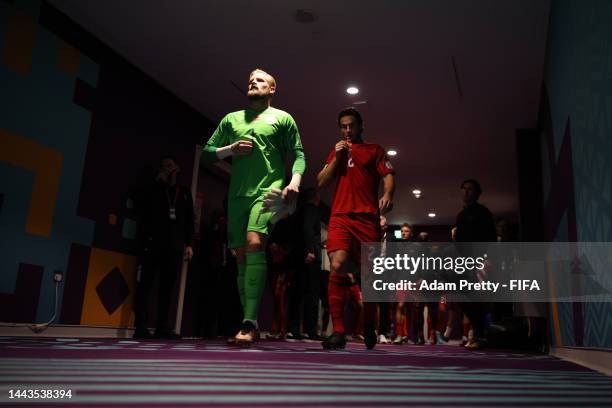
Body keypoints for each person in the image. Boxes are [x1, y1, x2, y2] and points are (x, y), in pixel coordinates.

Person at [200, 68, 306, 345]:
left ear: (272, 89)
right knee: (240, 256)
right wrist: (231, 149)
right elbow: (208, 154)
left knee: (254, 242)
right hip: (237, 197)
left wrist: (294, 181)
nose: (253, 81)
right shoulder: (231, 119)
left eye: (260, 80)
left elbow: (297, 154)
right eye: (250, 80)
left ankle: (248, 322)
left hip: (268, 192)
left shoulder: (282, 118)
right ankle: (252, 321)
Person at [317, 107, 395, 350]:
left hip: (366, 219)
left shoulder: (375, 150)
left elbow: (389, 174)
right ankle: (339, 331)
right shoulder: (337, 151)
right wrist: (338, 158)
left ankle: (369, 325)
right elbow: (320, 181)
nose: (347, 130)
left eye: (351, 125)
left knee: (368, 277)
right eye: (343, 126)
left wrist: (389, 193)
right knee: (337, 265)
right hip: (340, 216)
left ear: (361, 127)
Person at [134, 156, 194, 339]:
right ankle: (141, 326)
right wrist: (156, 181)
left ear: (177, 168)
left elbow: (189, 220)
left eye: (170, 166)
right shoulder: (154, 189)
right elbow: (142, 207)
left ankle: (162, 327)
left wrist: (189, 243)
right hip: (153, 244)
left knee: (167, 289)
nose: (167, 169)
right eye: (163, 166)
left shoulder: (183, 192)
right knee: (145, 285)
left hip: (174, 247)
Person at [455, 178, 496, 349]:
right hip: (464, 262)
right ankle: (478, 333)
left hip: (479, 260)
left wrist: (487, 259)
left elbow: (490, 238)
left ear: (477, 193)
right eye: (464, 189)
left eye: (470, 189)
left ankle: (479, 335)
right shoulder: (461, 215)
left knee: (477, 299)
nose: (466, 192)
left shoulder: (483, 212)